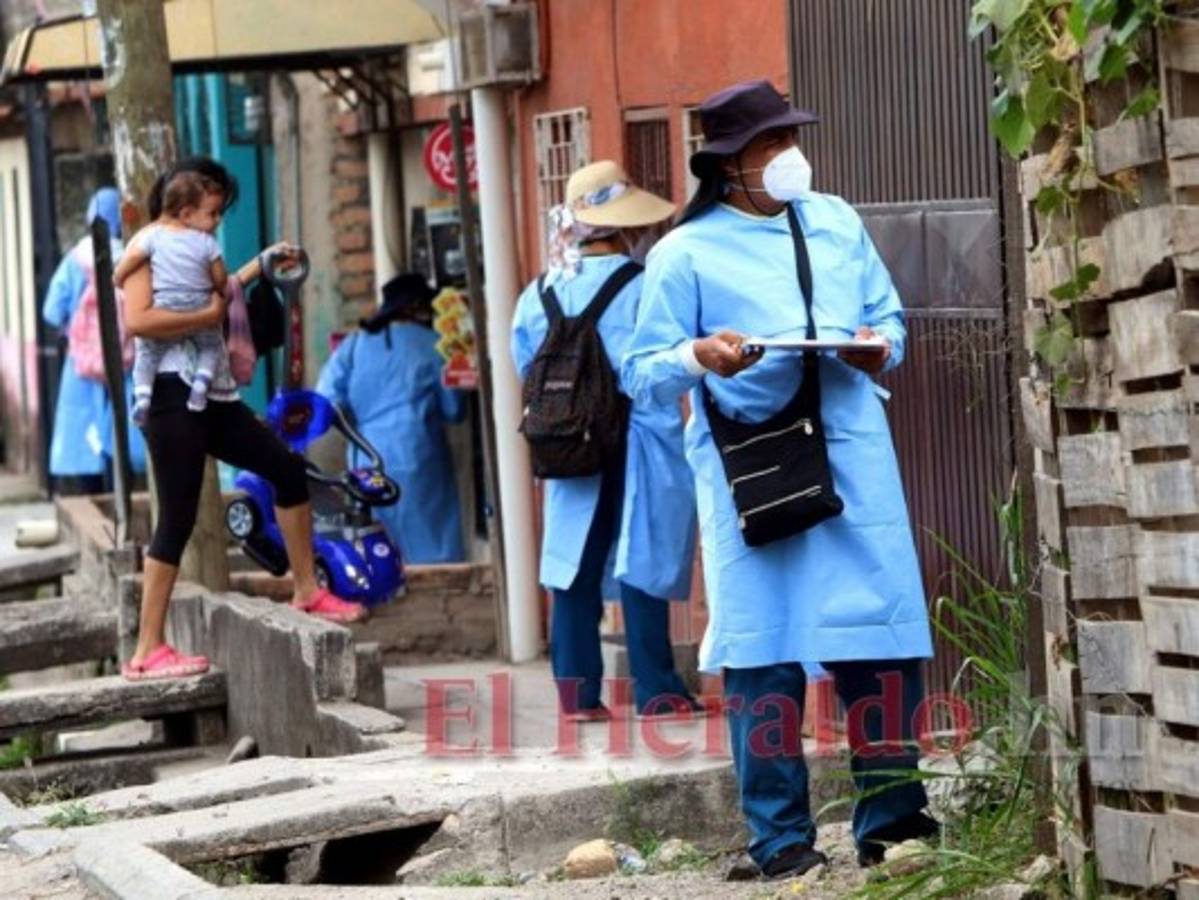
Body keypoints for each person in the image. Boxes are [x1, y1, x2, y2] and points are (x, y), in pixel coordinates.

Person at [623, 81, 936, 877]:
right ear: (729, 166)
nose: (787, 155)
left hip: (853, 453)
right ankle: (780, 840)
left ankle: (894, 824)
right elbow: (641, 372)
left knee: (881, 636)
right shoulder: (682, 252)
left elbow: (887, 319)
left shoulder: (835, 220)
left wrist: (875, 347)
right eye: (769, 145)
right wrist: (705, 356)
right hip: (750, 469)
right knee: (764, 652)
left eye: (789, 139)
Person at [121, 156, 366, 682]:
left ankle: (306, 589)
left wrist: (262, 264)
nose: (216, 221)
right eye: (211, 210)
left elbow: (223, 287)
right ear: (183, 205)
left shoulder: (193, 246)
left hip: (216, 397)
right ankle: (146, 650)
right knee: (178, 518)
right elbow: (140, 320)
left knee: (286, 469)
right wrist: (203, 317)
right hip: (170, 394)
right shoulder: (146, 247)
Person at [511, 160, 701, 721]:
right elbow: (665, 366)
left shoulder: (538, 291)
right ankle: (657, 689)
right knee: (640, 557)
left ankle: (577, 695)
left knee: (572, 562)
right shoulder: (644, 285)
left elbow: (526, 361)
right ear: (625, 226)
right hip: (636, 437)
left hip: (564, 441)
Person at [316, 273, 467, 564]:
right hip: (420, 456)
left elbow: (326, 400)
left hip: (366, 459)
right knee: (434, 552)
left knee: (379, 548)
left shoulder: (354, 346)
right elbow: (454, 410)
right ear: (416, 308)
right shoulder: (434, 345)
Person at [42, 187, 147, 493]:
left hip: (83, 364)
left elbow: (51, 311)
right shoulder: (131, 256)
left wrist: (74, 330)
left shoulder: (75, 260)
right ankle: (125, 488)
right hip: (126, 360)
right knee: (122, 428)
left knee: (82, 428)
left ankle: (92, 491)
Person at [114, 170, 231, 423]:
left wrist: (118, 276)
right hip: (198, 304)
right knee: (211, 347)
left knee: (147, 354)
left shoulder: (151, 238)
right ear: (187, 213)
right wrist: (215, 300)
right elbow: (221, 278)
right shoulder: (206, 242)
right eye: (213, 213)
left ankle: (142, 396)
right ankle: (201, 384)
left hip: (167, 304)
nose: (218, 220)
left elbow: (131, 259)